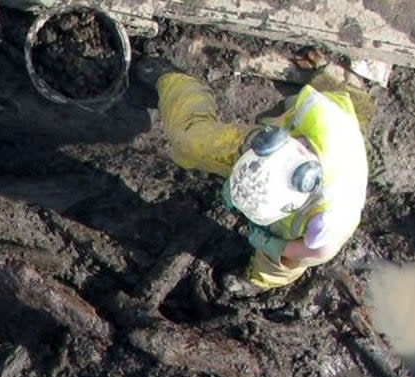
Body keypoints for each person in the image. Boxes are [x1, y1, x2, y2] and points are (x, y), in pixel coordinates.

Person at [134, 56, 371, 293]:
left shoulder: (330, 219)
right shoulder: (312, 118)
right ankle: (174, 81)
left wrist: (274, 245)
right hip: (282, 143)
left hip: (308, 203)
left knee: (280, 264)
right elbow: (282, 124)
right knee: (191, 142)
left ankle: (256, 282)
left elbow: (318, 251)